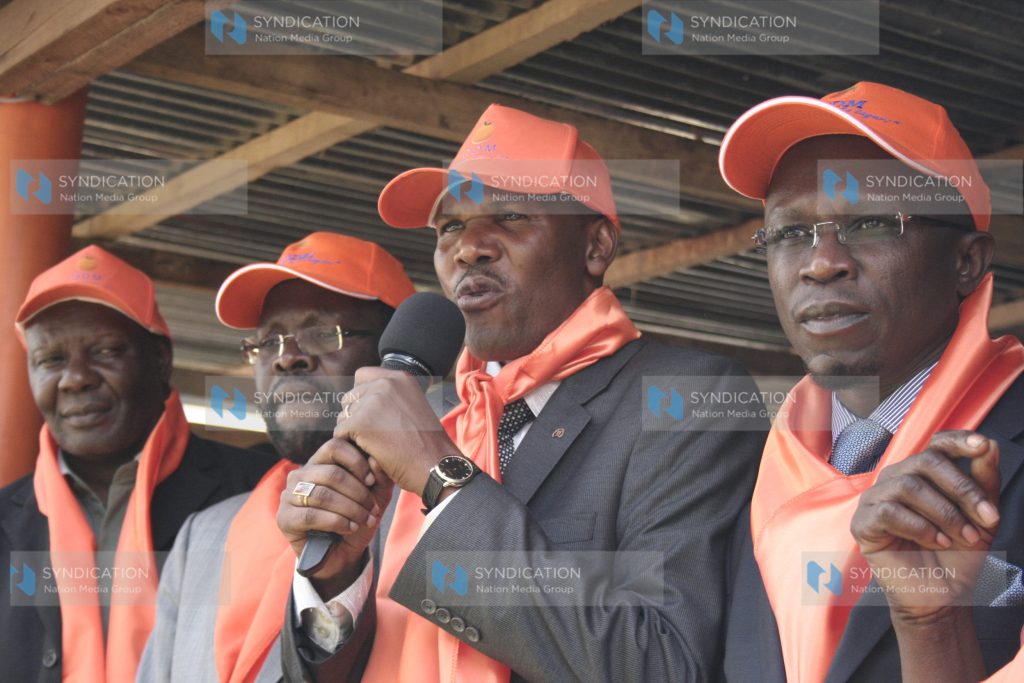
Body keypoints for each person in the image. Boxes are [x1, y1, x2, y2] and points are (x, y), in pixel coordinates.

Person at [277, 103, 768, 682]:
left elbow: (662, 663)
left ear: (595, 246)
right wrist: (336, 580)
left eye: (509, 215)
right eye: (450, 227)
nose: (469, 248)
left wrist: (442, 480)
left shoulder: (685, 399)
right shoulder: (429, 418)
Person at [717, 81, 1024, 682]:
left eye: (869, 223)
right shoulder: (754, 474)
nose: (821, 262)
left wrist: (934, 627)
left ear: (966, 261)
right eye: (789, 233)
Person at [137, 232, 416, 682]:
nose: (286, 359)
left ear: (399, 356)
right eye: (268, 342)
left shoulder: (438, 509)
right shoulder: (203, 535)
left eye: (322, 334)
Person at [0, 245, 278, 683]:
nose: (76, 379)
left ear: (161, 359)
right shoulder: (5, 519)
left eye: (105, 351)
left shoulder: (258, 495)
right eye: (50, 360)